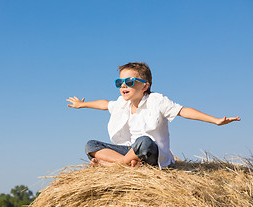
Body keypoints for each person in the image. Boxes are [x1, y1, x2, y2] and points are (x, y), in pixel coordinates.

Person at [66, 62, 241, 168]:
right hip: (131, 151)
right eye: (119, 82)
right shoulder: (122, 104)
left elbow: (183, 111)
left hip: (151, 152)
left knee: (143, 141)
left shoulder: (157, 100)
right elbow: (104, 104)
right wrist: (82, 104)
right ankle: (128, 163)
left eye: (129, 81)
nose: (123, 86)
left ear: (145, 86)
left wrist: (215, 120)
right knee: (91, 145)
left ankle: (116, 165)